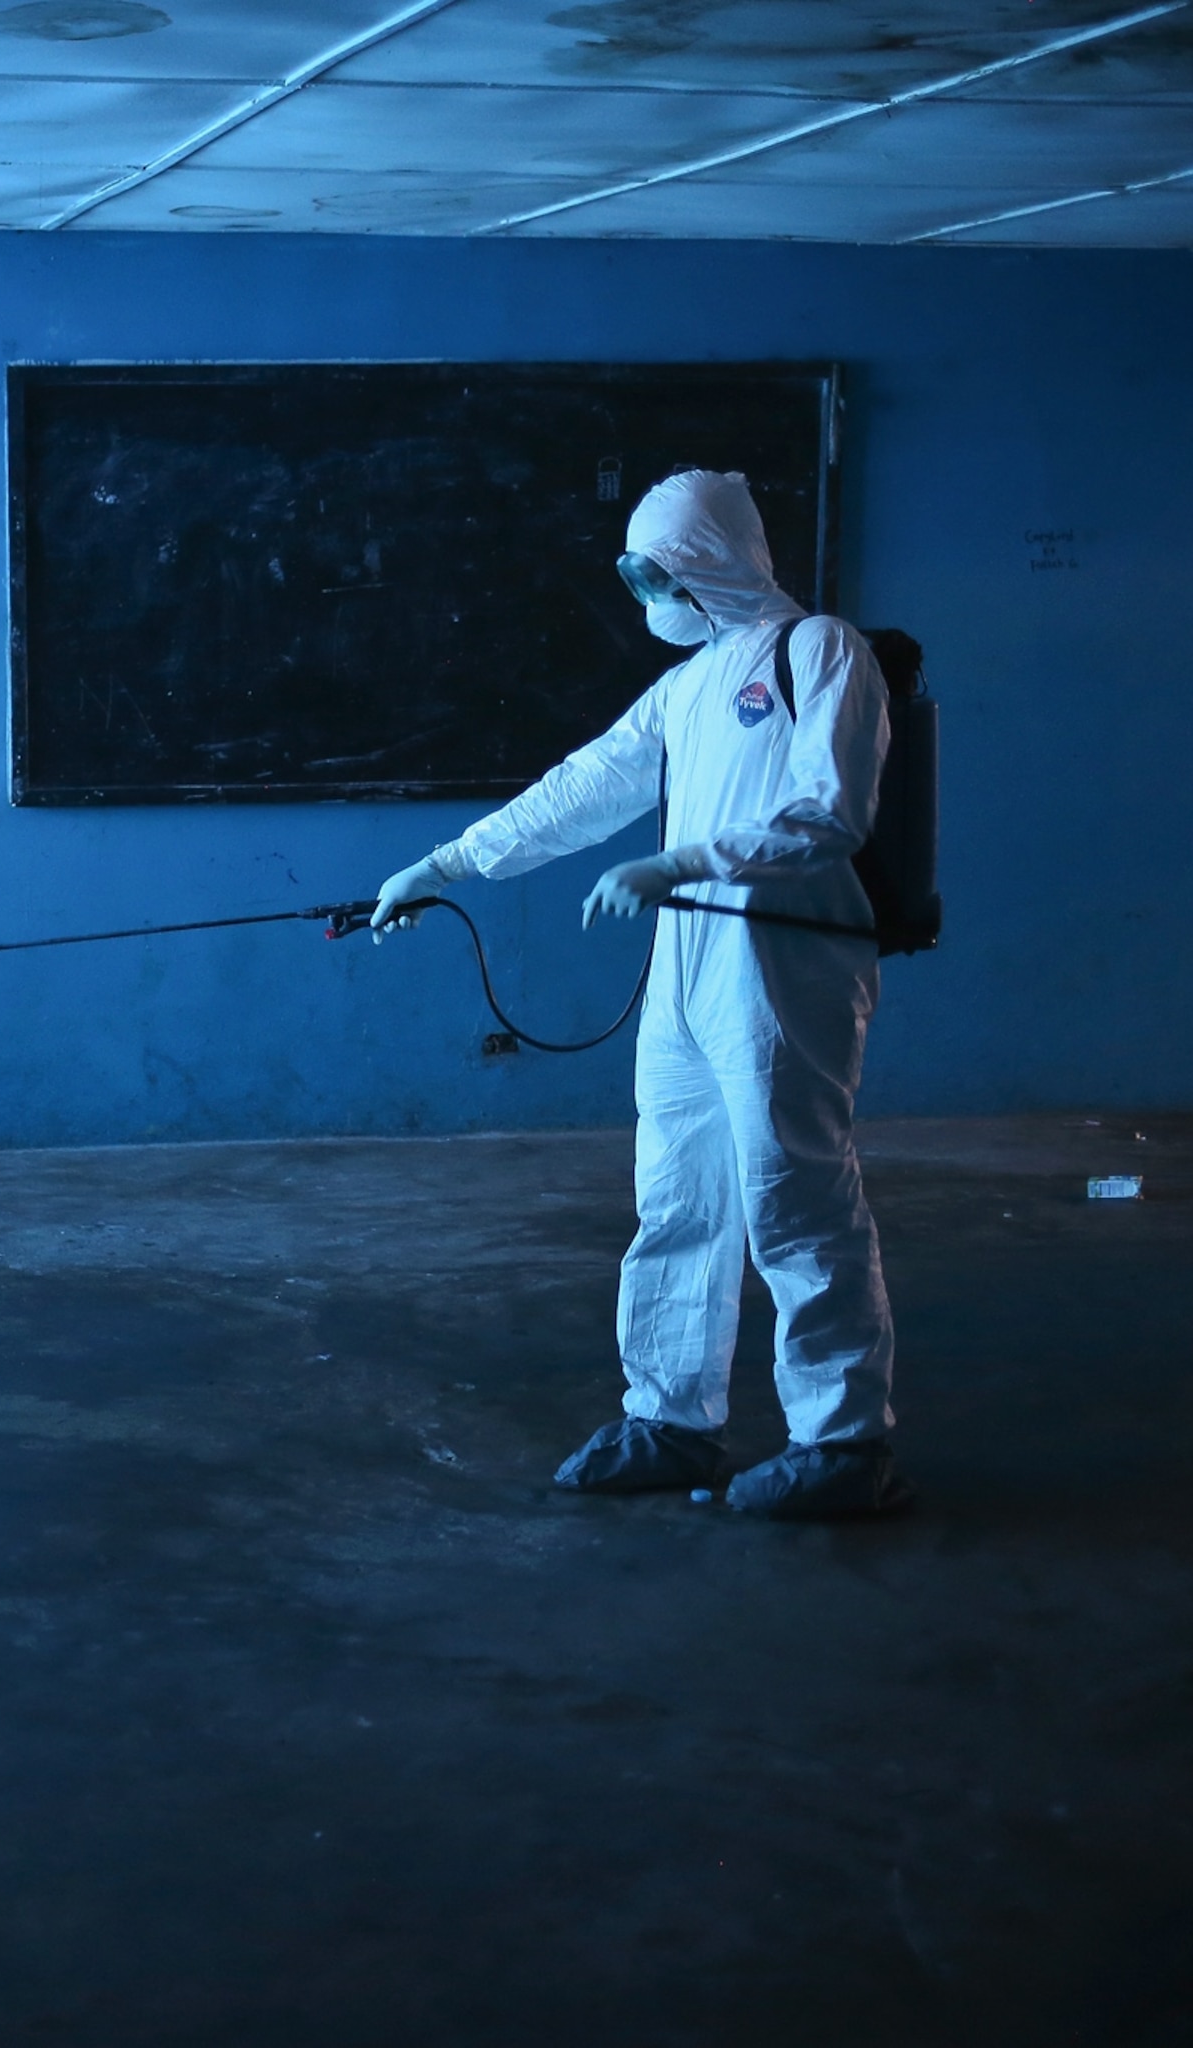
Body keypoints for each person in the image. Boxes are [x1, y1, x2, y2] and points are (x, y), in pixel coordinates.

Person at [368, 468, 908, 1520]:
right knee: (675, 1196)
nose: (643, 590)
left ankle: (845, 1441)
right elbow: (587, 785)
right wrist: (446, 864)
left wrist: (682, 862)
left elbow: (831, 811)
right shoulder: (691, 681)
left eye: (654, 568)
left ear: (706, 562)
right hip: (689, 964)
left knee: (793, 1194)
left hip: (784, 960)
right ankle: (670, 1416)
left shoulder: (822, 651)